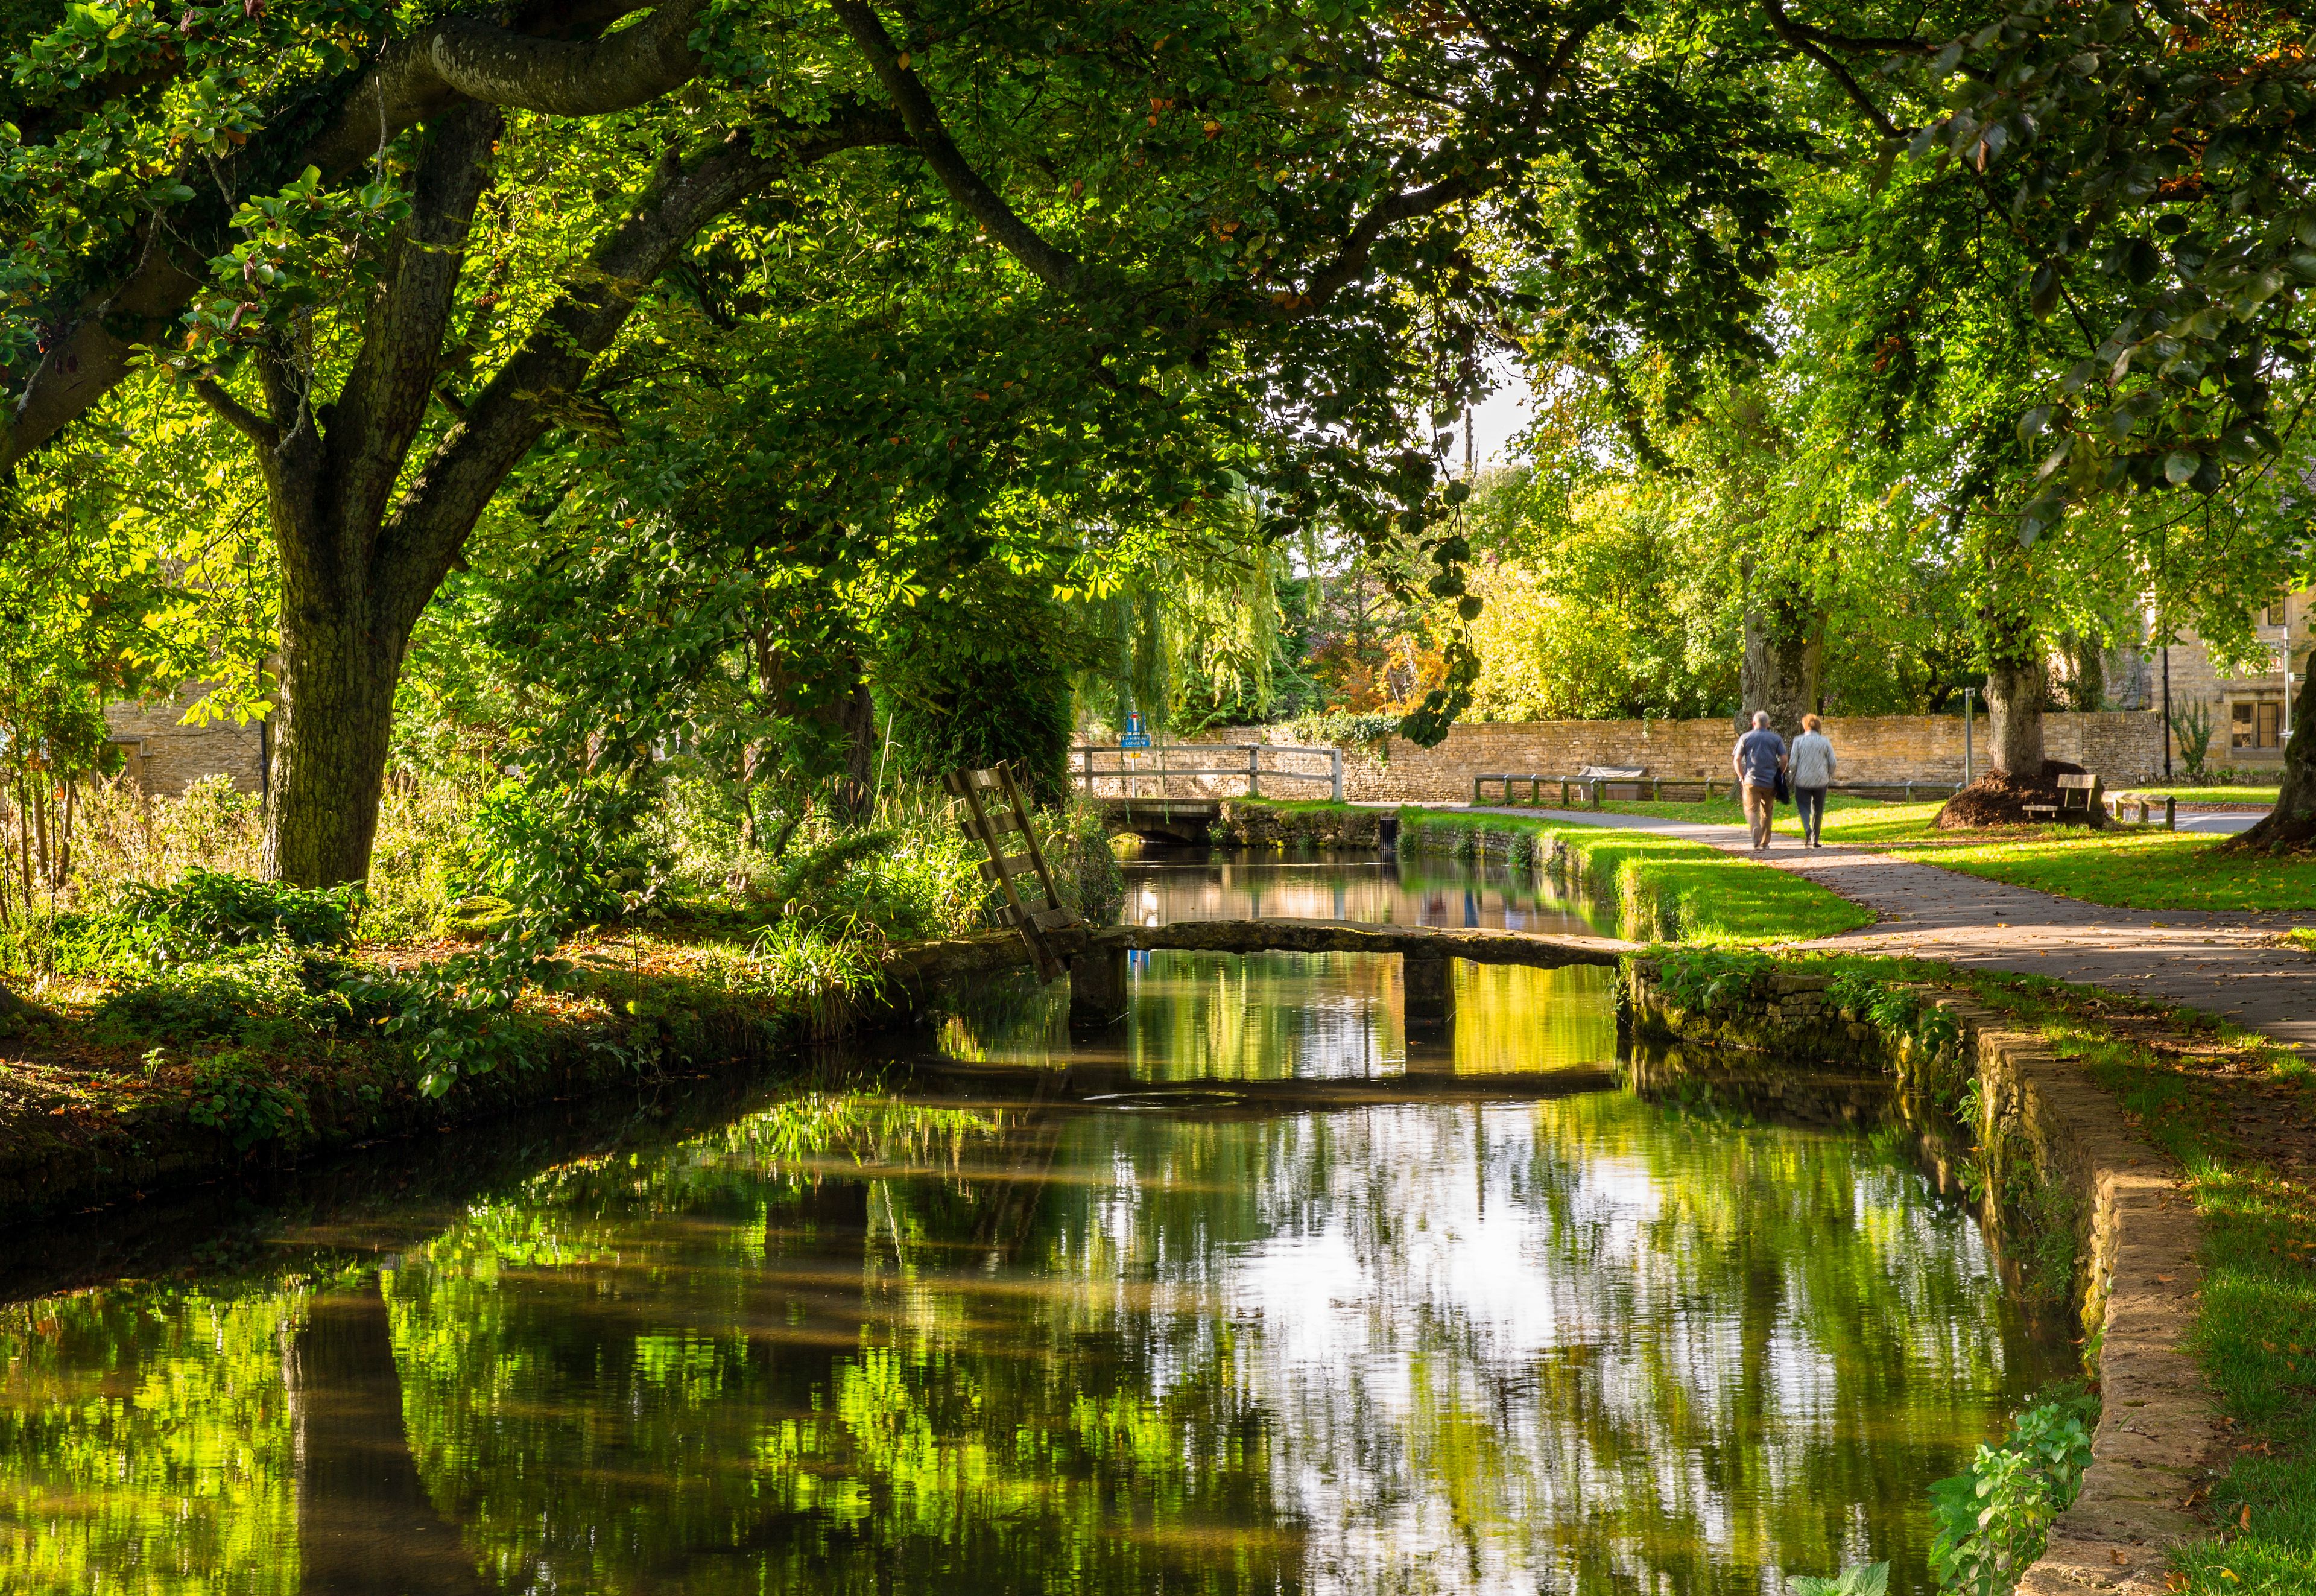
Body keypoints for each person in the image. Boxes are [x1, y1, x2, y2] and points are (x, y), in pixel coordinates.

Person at [1732, 710, 1786, 850]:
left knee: (1750, 810)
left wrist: (1741, 776)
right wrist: (1780, 773)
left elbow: (1737, 759)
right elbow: (1785, 758)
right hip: (1770, 781)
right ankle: (1765, 842)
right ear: (1768, 724)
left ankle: (1755, 828)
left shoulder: (1745, 737)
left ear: (1753, 723)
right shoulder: (1776, 739)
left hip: (1751, 780)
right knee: (1767, 813)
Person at [1789, 714, 1837, 847]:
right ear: (1819, 727)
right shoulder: (1825, 741)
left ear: (1804, 726)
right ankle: (1815, 839)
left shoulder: (1798, 741)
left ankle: (1806, 827)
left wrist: (1793, 775)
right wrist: (1829, 774)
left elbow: (1793, 762)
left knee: (1803, 806)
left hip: (1802, 780)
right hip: (1821, 781)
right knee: (1819, 809)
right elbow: (1833, 762)